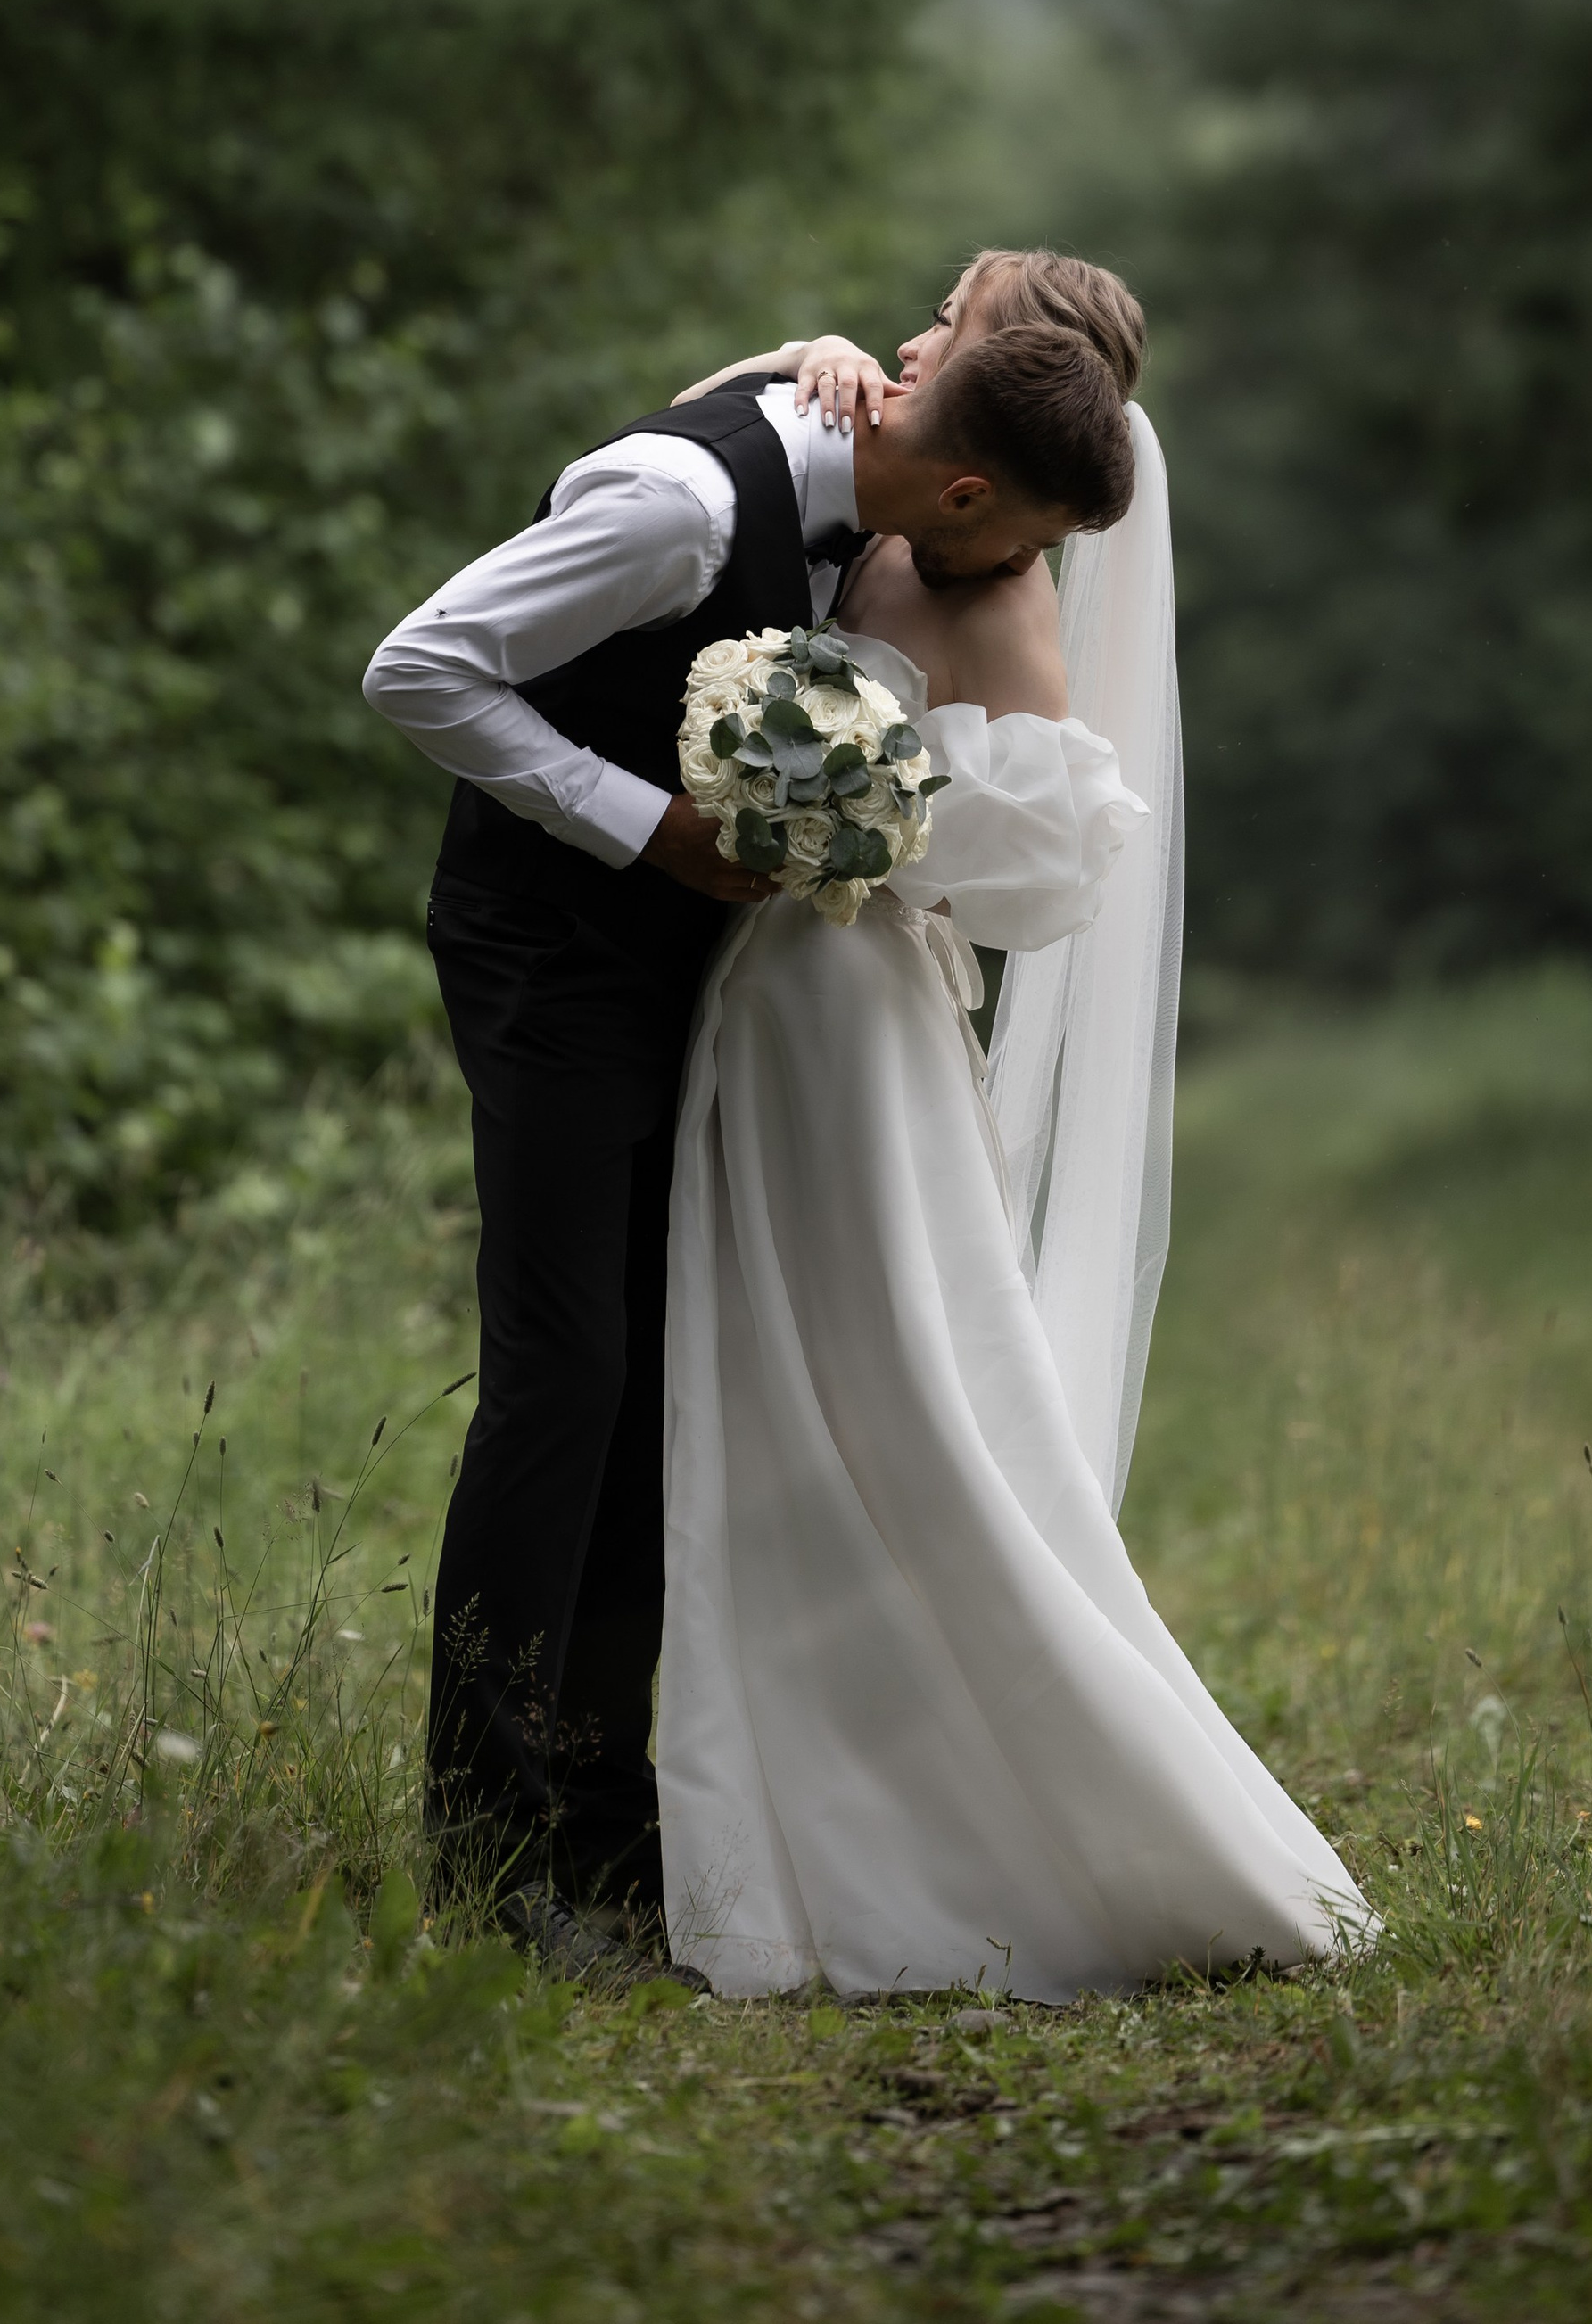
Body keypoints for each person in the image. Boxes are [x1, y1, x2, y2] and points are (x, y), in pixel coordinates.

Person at [361, 293, 1127, 1974]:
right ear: (972, 497)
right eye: (1025, 545)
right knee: (563, 1387)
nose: (1015, 581)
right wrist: (646, 828)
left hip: (689, 974)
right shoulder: (679, 504)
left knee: (653, 1391)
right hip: (555, 960)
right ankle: (485, 1867)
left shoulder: (858, 465)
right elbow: (417, 665)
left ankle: (607, 1828)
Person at [656, 251, 1366, 1995]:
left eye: (944, 323)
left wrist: (851, 813)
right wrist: (794, 358)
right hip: (768, 995)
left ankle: (1007, 1815)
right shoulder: (901, 497)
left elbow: (1043, 869)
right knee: (777, 1382)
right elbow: (723, 458)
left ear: (995, 375)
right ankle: (792, 1776)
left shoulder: (1002, 586)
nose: (907, 339)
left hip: (850, 1009)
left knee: (891, 1383)